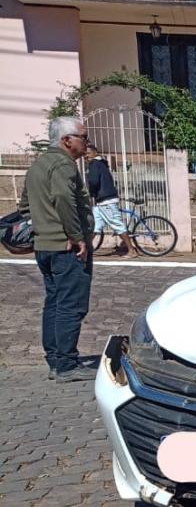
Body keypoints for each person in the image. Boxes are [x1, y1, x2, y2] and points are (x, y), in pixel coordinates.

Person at [19, 116, 94, 381]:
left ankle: (54, 359)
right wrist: (77, 236)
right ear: (66, 140)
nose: (87, 142)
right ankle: (66, 364)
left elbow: (24, 206)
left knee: (54, 302)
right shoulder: (63, 165)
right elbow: (63, 197)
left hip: (45, 246)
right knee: (71, 305)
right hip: (66, 247)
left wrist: (43, 225)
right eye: (83, 137)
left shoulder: (38, 165)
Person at [85, 141, 136, 256]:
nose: (85, 156)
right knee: (94, 226)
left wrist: (91, 192)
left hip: (106, 200)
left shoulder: (94, 164)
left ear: (94, 153)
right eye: (84, 154)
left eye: (87, 153)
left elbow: (93, 181)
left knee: (117, 224)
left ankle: (131, 250)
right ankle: (86, 249)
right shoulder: (102, 163)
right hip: (101, 201)